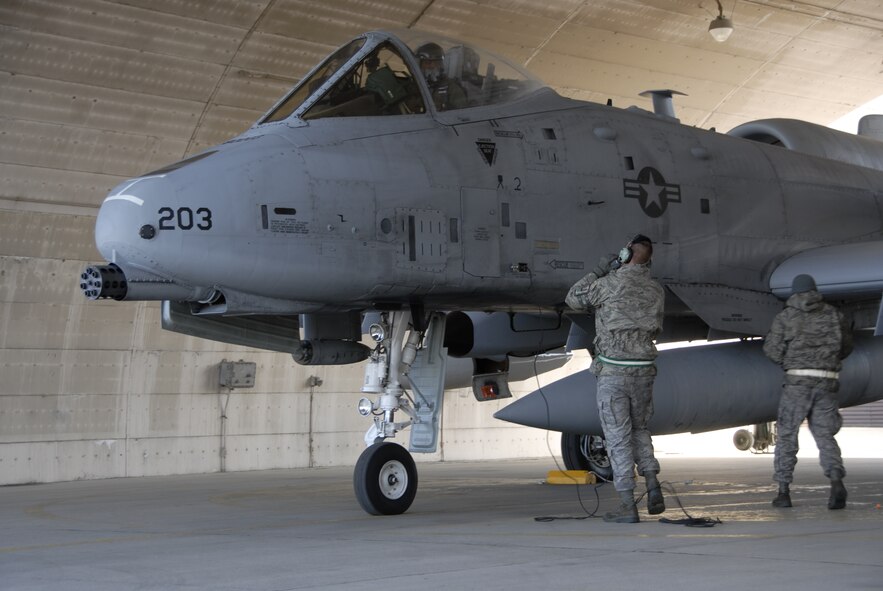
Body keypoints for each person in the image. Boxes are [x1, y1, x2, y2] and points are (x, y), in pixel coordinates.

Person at [565, 235, 666, 523]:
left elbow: (573, 297)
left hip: (614, 372)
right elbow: (656, 326)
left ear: (624, 254)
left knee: (618, 437)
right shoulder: (656, 289)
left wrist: (599, 271)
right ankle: (652, 483)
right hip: (644, 370)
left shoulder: (607, 284)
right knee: (640, 428)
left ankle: (626, 503)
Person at [762, 274, 853, 510]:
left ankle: (783, 492)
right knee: (825, 435)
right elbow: (846, 348)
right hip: (827, 382)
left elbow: (771, 349)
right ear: (815, 290)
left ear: (794, 292)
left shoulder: (786, 316)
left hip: (797, 384)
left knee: (787, 436)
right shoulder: (834, 315)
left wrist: (790, 363)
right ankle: (835, 480)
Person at [415, 42, 467, 111]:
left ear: (440, 65)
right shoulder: (414, 85)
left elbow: (460, 115)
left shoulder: (452, 89)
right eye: (427, 63)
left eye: (436, 63)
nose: (431, 67)